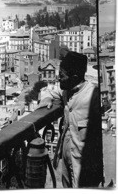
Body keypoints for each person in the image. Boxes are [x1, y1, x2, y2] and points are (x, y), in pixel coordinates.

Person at [39, 51, 103, 188]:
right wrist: (47, 98)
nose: (58, 79)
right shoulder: (66, 90)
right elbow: (47, 91)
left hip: (84, 168)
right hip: (67, 162)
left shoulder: (94, 96)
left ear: (74, 77)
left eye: (61, 76)